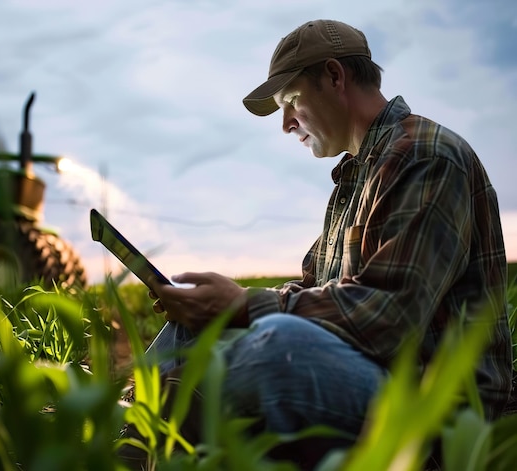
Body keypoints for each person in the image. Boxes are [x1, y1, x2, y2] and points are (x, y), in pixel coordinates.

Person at [120, 19, 513, 469]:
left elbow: (390, 317)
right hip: (364, 377)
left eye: (290, 102)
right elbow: (313, 289)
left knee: (277, 344)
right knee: (195, 327)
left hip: (436, 416)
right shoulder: (358, 175)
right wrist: (219, 305)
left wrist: (247, 306)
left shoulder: (426, 157)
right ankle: (130, 442)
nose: (286, 124)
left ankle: (169, 432)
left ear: (334, 76)